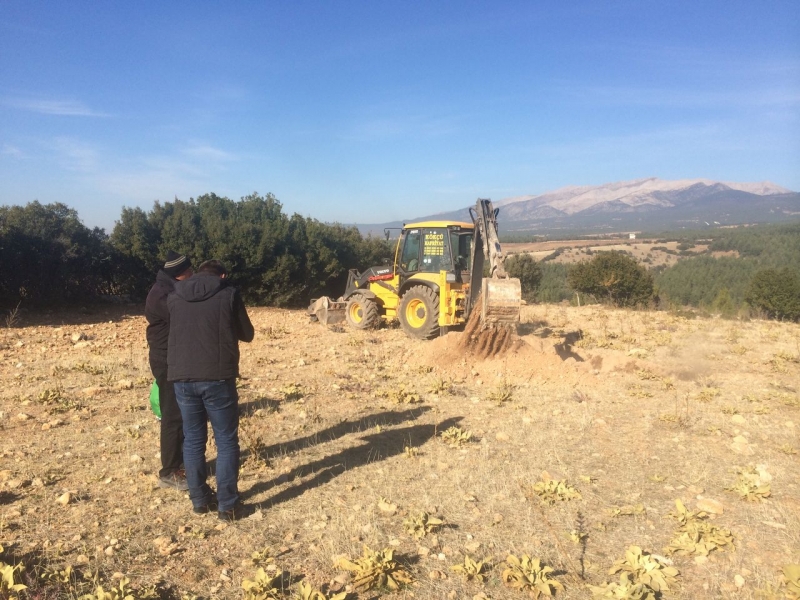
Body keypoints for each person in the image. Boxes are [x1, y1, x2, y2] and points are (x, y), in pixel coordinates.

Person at [167, 259, 255, 521]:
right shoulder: (228, 292)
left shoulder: (174, 296)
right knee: (226, 441)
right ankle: (228, 505)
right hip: (217, 376)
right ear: (222, 275)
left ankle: (200, 501)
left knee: (193, 440)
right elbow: (247, 334)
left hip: (182, 377)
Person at [145, 250, 192, 490]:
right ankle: (169, 471)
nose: (192, 275)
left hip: (173, 358)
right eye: (190, 272)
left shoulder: (167, 289)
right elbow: (186, 315)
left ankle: (181, 464)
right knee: (173, 416)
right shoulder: (163, 295)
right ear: (180, 273)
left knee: (181, 415)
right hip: (167, 361)